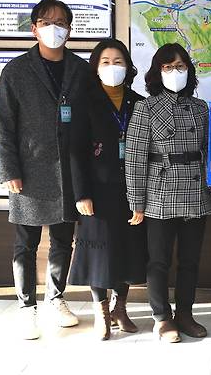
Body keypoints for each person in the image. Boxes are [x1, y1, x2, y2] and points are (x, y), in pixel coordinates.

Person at [0, 0, 90, 340]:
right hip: (29, 171)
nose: (55, 28)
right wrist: (8, 169)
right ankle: (26, 307)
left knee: (64, 240)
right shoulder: (16, 71)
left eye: (61, 21)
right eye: (47, 21)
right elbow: (2, 125)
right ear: (34, 28)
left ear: (70, 29)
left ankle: (55, 299)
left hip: (70, 170)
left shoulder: (80, 69)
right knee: (26, 243)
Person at [125, 43, 211, 343]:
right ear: (157, 71)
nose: (174, 72)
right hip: (159, 193)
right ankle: (162, 318)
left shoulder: (200, 107)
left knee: (191, 260)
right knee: (159, 261)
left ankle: (186, 315)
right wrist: (136, 203)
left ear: (189, 70)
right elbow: (135, 158)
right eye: (167, 67)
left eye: (180, 66)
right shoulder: (145, 108)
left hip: (195, 190)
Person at [68, 39, 147, 340]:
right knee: (100, 253)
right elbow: (75, 151)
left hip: (131, 190)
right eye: (105, 61)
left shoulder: (138, 102)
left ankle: (120, 308)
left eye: (118, 61)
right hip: (96, 191)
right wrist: (80, 193)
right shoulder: (84, 100)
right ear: (95, 66)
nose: (112, 67)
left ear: (128, 66)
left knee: (127, 249)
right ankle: (101, 311)